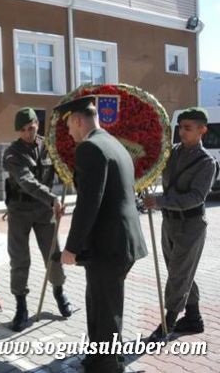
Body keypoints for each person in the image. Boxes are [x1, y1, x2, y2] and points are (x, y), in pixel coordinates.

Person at [57, 96, 148, 373]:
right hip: (117, 243)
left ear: (77, 120)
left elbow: (88, 203)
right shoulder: (114, 143)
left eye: (69, 127)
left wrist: (71, 248)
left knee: (106, 309)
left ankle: (108, 365)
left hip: (109, 245)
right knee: (97, 301)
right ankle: (97, 358)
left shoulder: (90, 148)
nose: (70, 134)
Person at [143, 107, 218, 341]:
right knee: (182, 272)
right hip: (169, 223)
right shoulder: (172, 153)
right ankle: (194, 318)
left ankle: (169, 321)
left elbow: (196, 197)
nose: (182, 132)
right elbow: (153, 166)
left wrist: (160, 201)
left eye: (188, 128)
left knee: (178, 275)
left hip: (191, 225)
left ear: (202, 130)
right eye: (180, 127)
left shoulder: (207, 162)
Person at [3, 107, 72, 332]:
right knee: (20, 259)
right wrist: (53, 198)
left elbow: (64, 168)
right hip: (19, 212)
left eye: (31, 127)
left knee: (54, 255)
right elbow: (26, 181)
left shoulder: (49, 147)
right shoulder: (13, 153)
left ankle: (59, 293)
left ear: (37, 124)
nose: (27, 133)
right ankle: (21, 307)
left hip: (44, 212)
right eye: (22, 130)